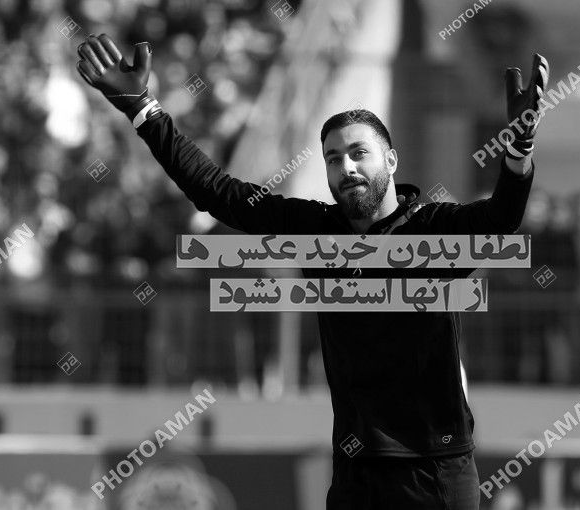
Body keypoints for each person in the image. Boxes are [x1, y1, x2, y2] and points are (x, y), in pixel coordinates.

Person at [75, 33, 549, 509]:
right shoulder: (315, 230)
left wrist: (519, 148)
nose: (347, 167)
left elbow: (501, 218)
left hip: (435, 470)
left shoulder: (433, 230)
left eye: (359, 153)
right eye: (333, 159)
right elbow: (217, 193)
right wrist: (144, 110)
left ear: (391, 160)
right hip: (356, 470)